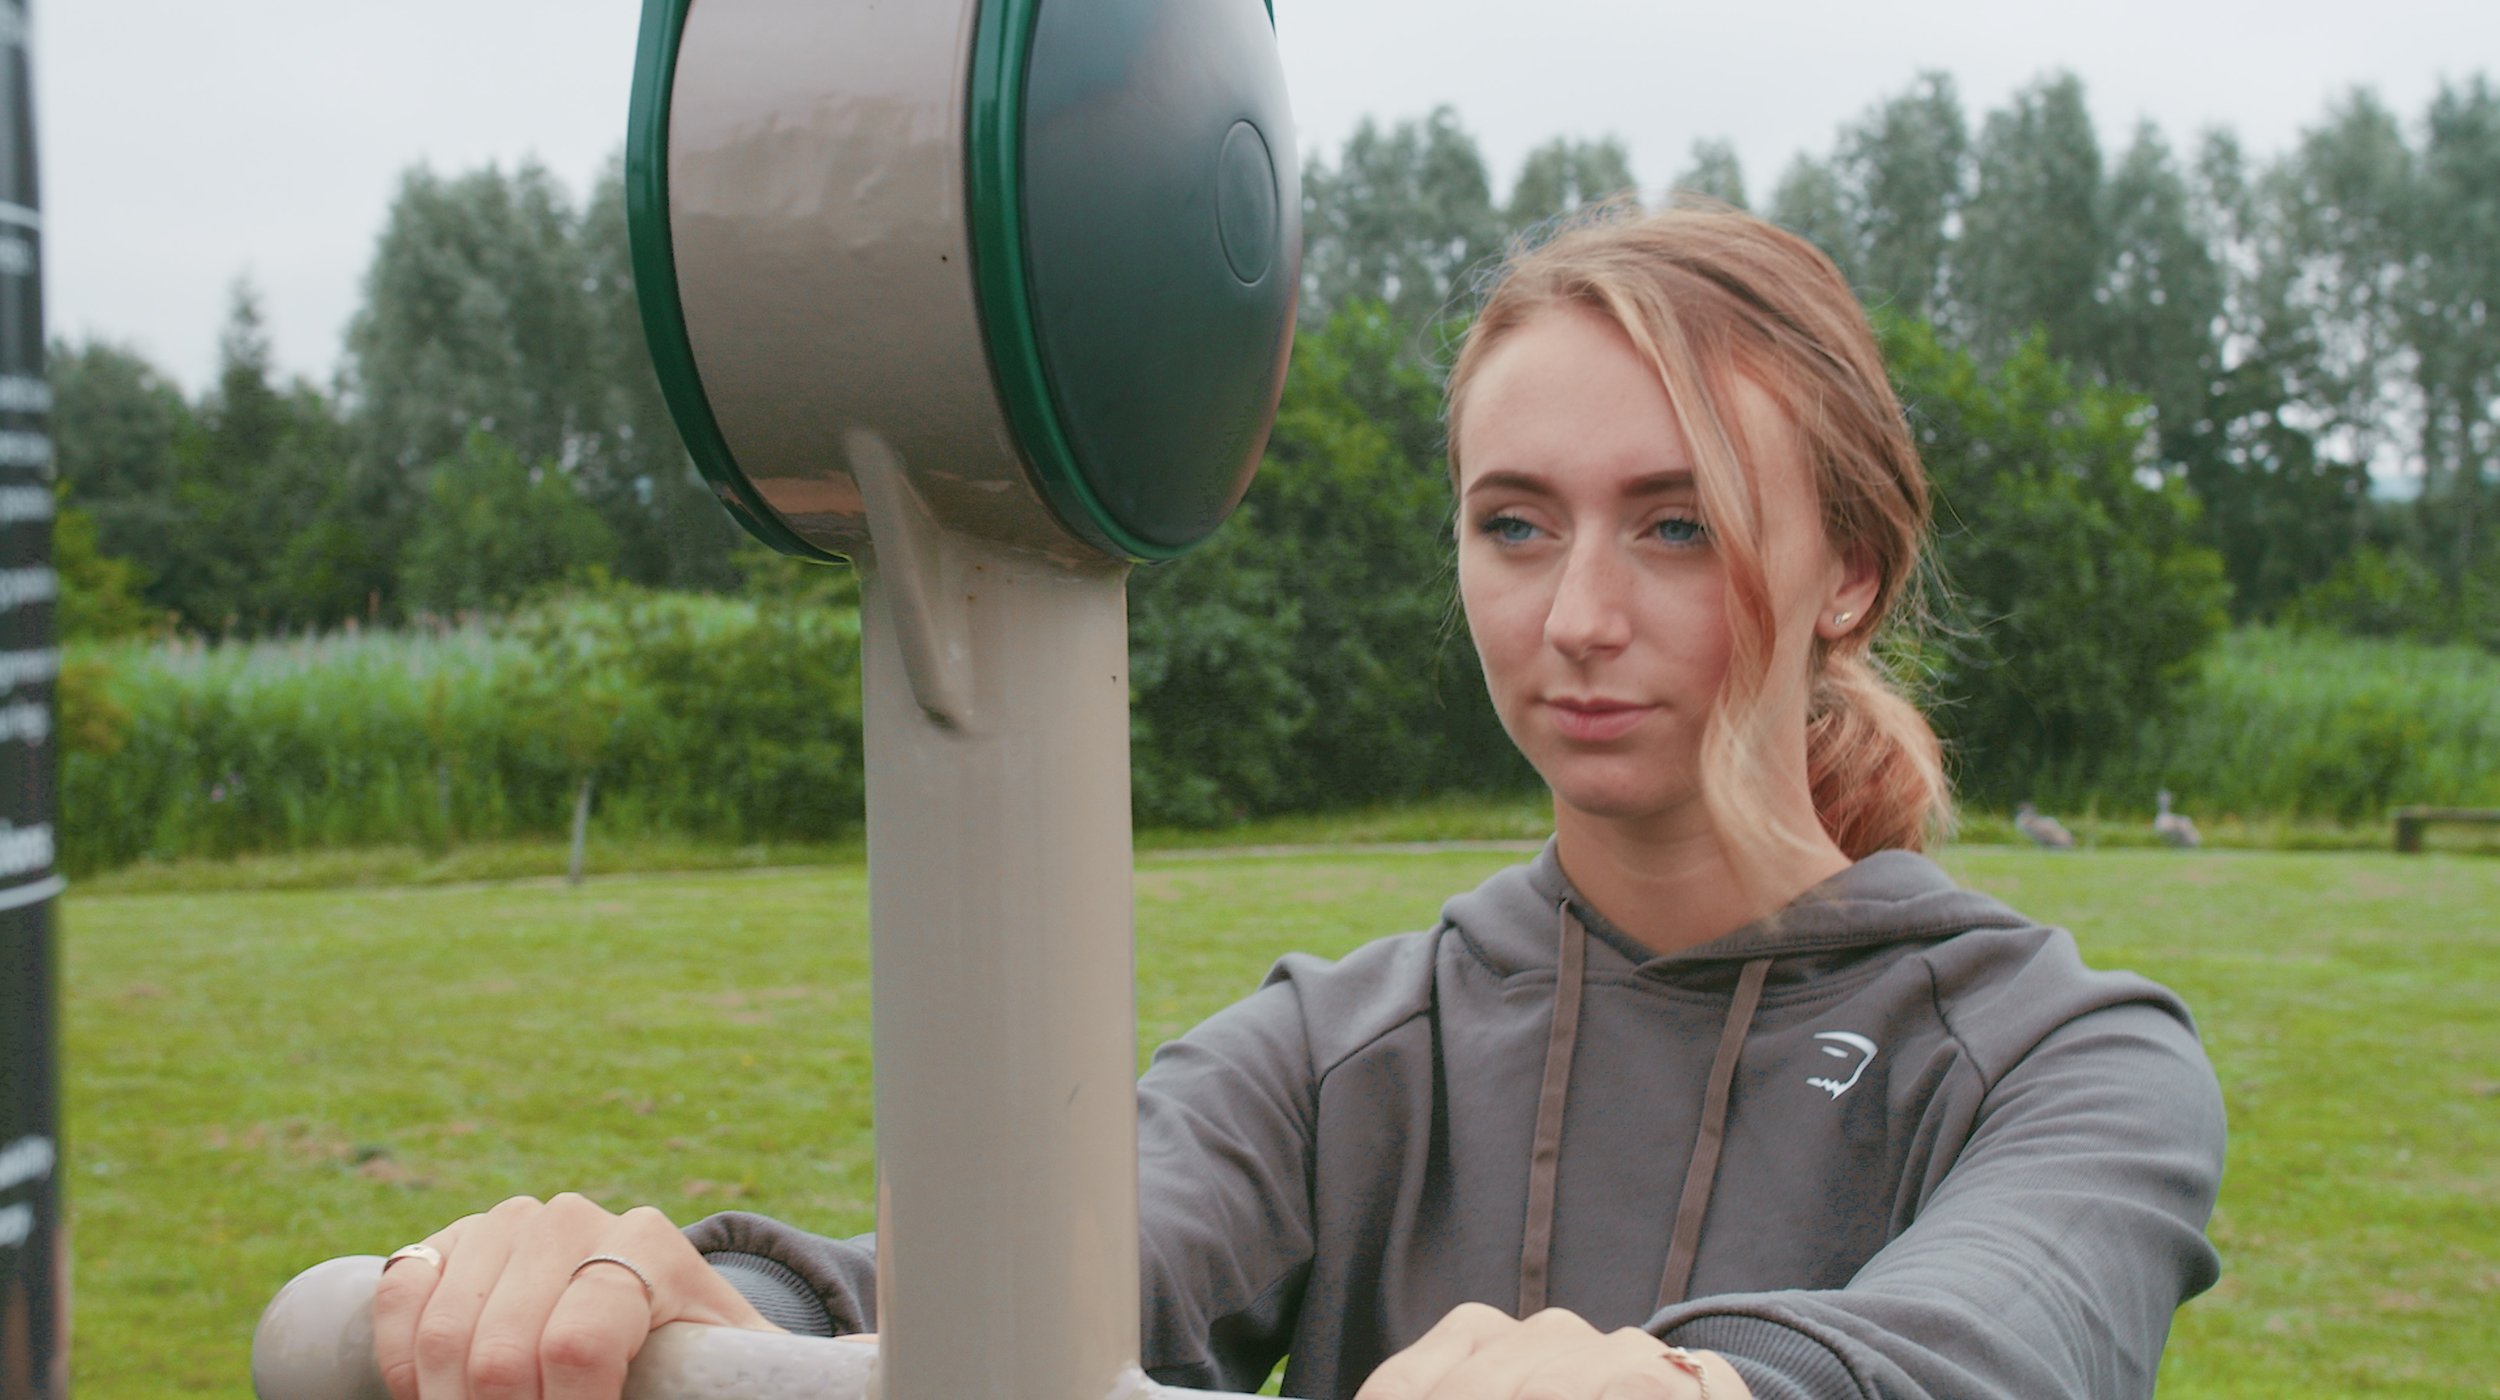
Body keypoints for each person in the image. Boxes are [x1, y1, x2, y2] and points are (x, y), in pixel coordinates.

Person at [368, 204, 2227, 1400]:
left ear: (1850, 574)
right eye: (1515, 524)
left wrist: (1688, 1390)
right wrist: (682, 1298)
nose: (1576, 615)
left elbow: (1994, 1345)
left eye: (1677, 523)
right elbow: (1030, 1281)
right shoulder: (1345, 1047)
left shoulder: (2067, 1058)